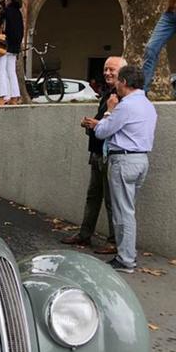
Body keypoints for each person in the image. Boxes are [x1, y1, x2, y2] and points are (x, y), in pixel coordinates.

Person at [86, 65, 158, 274]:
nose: (115, 84)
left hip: (123, 160)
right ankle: (126, 255)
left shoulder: (125, 106)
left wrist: (107, 111)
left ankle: (126, 259)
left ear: (124, 82)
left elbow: (103, 131)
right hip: (141, 159)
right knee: (128, 209)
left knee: (122, 212)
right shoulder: (147, 105)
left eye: (117, 80)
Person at [61, 56, 127, 254]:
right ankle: (85, 234)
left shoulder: (122, 97)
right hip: (97, 152)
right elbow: (103, 122)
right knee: (93, 196)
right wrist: (92, 124)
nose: (107, 73)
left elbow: (112, 125)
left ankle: (114, 241)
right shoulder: (108, 93)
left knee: (110, 199)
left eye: (112, 70)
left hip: (109, 155)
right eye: (106, 69)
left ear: (122, 73)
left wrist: (95, 124)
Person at [0, 0, 24, 105]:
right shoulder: (18, 12)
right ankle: (14, 96)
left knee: (1, 70)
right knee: (11, 72)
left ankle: (3, 97)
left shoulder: (6, 11)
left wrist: (1, 9)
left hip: (5, 44)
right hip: (15, 46)